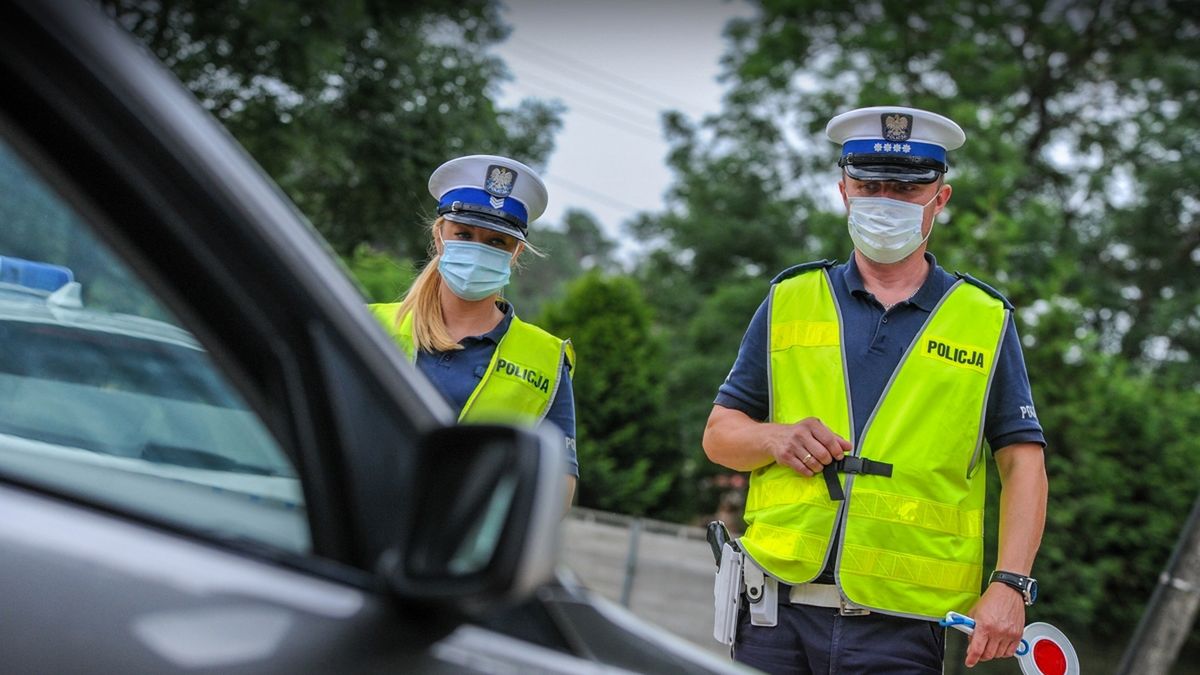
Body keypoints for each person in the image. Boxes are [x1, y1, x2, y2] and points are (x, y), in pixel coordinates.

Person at [702, 106, 1048, 673]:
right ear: (843, 189)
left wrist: (1011, 584)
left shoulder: (984, 319)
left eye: (908, 187)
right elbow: (720, 437)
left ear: (942, 198)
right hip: (773, 613)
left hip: (903, 627)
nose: (885, 200)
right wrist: (775, 439)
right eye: (869, 185)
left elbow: (1023, 462)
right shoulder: (789, 299)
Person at [370, 155, 578, 506]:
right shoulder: (371, 325)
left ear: (516, 253)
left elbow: (557, 489)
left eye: (497, 242)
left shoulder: (547, 359)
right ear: (439, 236)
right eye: (464, 234)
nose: (478, 250)